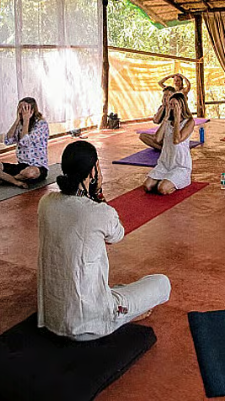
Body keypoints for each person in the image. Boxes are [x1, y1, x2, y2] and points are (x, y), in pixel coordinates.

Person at [38, 141, 171, 341]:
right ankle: (124, 315)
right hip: (90, 323)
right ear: (93, 172)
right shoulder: (99, 212)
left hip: (51, 317)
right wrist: (98, 194)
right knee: (161, 283)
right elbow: (117, 235)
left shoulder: (45, 202)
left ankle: (119, 302)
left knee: (115, 288)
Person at [0, 97, 49, 188]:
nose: (21, 111)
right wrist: (17, 120)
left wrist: (26, 121)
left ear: (32, 110)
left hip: (37, 167)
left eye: (25, 108)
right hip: (21, 166)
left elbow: (25, 142)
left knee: (29, 173)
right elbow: (7, 140)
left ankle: (7, 179)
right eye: (19, 108)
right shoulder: (20, 124)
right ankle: (16, 181)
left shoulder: (41, 124)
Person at [144, 92, 195, 194]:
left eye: (175, 105)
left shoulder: (189, 122)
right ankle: (166, 179)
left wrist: (176, 119)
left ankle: (181, 180)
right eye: (170, 104)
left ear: (181, 106)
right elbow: (157, 139)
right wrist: (166, 118)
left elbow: (176, 140)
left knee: (162, 189)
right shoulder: (168, 121)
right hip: (165, 163)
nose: (172, 107)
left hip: (180, 165)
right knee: (147, 186)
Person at [139, 85, 178, 151]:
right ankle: (163, 149)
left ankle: (166, 148)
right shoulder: (162, 107)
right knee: (142, 136)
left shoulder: (176, 107)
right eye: (164, 95)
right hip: (162, 136)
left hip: (172, 136)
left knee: (158, 138)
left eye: (168, 95)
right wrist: (163, 106)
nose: (166, 97)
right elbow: (156, 120)